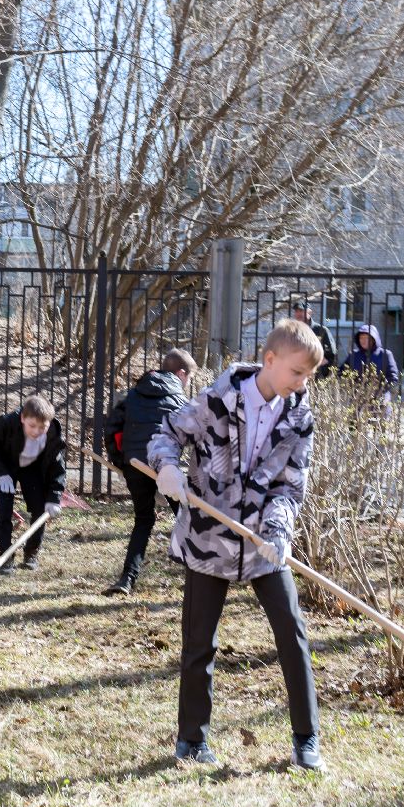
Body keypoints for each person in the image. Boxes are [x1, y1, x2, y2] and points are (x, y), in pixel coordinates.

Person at [147, 318, 325, 772]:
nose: (302, 382)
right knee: (199, 642)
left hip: (264, 545)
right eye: (297, 372)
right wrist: (167, 467)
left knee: (292, 634)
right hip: (209, 539)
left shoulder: (299, 416)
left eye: (307, 375)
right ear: (270, 360)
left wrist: (279, 533)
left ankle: (306, 740)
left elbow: (290, 485)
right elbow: (167, 434)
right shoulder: (217, 399)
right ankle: (191, 741)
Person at [102, 348, 197, 595]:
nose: (187, 384)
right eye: (189, 379)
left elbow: (111, 428)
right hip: (165, 467)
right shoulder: (178, 399)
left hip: (135, 464)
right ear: (181, 373)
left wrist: (122, 462)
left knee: (143, 520)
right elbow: (192, 435)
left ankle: (127, 579)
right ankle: (200, 577)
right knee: (185, 516)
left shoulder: (132, 395)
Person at [0, 395, 67, 574]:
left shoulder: (52, 435)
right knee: (4, 509)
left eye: (42, 427)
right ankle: (5, 556)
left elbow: (57, 468)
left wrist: (54, 498)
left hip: (33, 468)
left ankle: (31, 552)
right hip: (6, 465)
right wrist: (1, 474)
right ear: (22, 419)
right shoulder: (5, 424)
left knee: (40, 507)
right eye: (32, 426)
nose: (36, 431)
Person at [340, 322, 400, 402]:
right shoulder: (354, 355)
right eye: (361, 338)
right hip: (358, 399)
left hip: (380, 399)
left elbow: (393, 377)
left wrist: (378, 390)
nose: (363, 340)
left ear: (374, 339)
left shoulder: (385, 354)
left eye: (366, 338)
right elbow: (341, 373)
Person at [291, 300, 338, 380]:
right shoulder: (292, 331)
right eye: (296, 311)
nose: (298, 314)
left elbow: (332, 354)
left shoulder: (321, 330)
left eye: (301, 311)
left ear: (309, 313)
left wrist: (321, 367)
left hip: (317, 378)